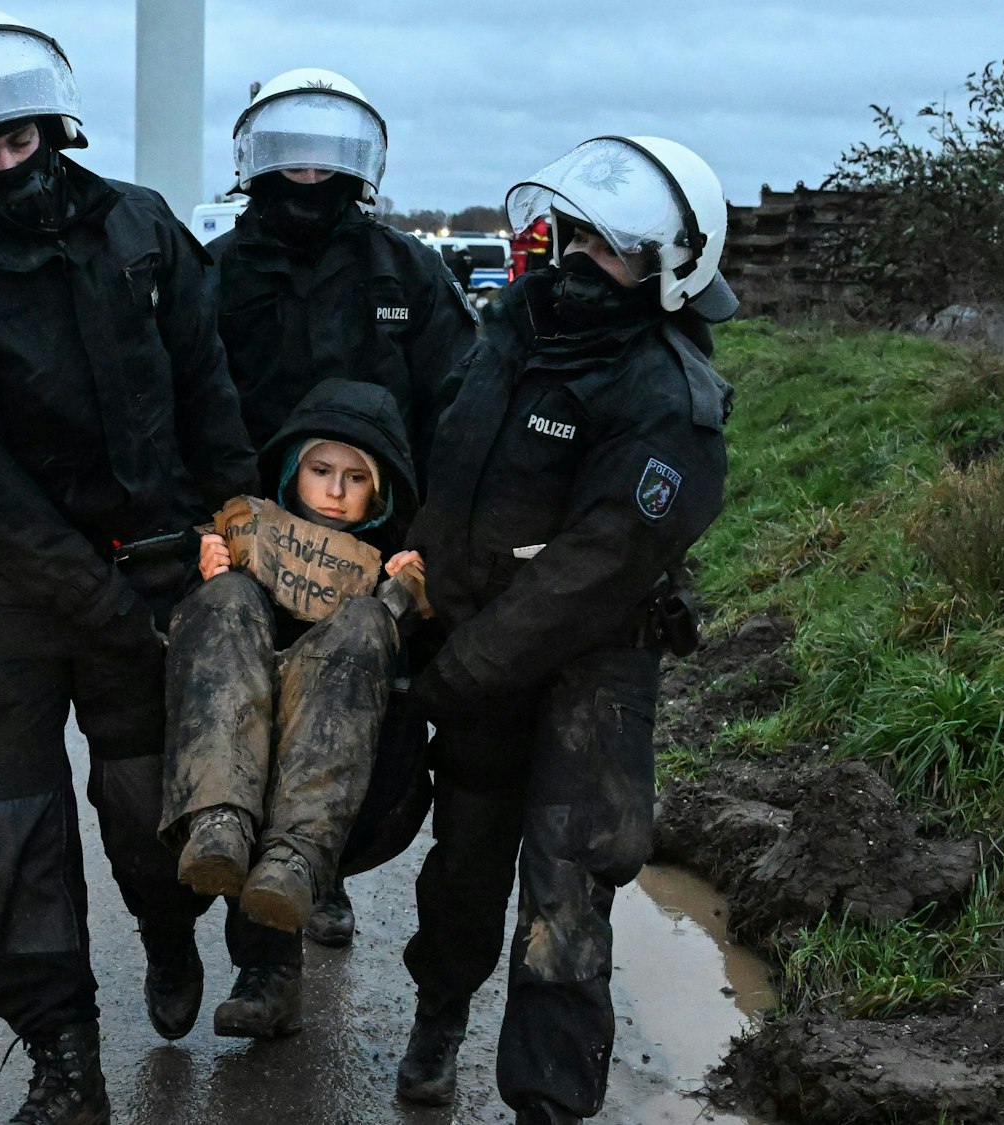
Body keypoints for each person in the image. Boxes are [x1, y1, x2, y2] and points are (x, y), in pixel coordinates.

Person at [0, 11, 256, 1124]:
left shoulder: (141, 228)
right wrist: (97, 603)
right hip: (7, 580)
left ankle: (168, 938)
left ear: (50, 124)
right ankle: (60, 1055)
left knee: (143, 798)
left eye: (15, 142)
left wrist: (237, 522)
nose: (2, 166)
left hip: (158, 555)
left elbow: (205, 384)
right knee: (11, 816)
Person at [392, 136, 738, 1124]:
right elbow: (447, 482)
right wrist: (419, 606)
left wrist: (458, 671)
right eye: (576, 232)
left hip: (593, 670)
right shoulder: (509, 334)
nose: (583, 256)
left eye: (614, 247)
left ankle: (546, 1101)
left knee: (567, 886)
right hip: (468, 650)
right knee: (462, 857)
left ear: (671, 269)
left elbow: (594, 571)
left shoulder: (669, 396)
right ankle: (437, 1015)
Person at [206, 66, 476, 952]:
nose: (310, 176)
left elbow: (459, 411)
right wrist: (211, 525)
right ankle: (261, 965)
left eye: (330, 161)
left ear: (361, 165)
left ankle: (320, 872)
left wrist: (429, 546)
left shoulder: (410, 271)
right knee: (244, 723)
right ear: (256, 160)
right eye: (293, 158)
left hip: (373, 559)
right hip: (252, 545)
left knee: (360, 729)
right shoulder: (219, 274)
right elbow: (181, 401)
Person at [160, 379, 426, 1036]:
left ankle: (296, 860)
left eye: (355, 476)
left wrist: (410, 605)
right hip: (229, 757)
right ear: (292, 471)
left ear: (380, 490)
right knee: (225, 603)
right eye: (320, 469)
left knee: (365, 620)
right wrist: (208, 571)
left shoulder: (393, 560)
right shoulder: (246, 530)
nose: (335, 490)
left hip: (341, 782)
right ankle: (219, 825)